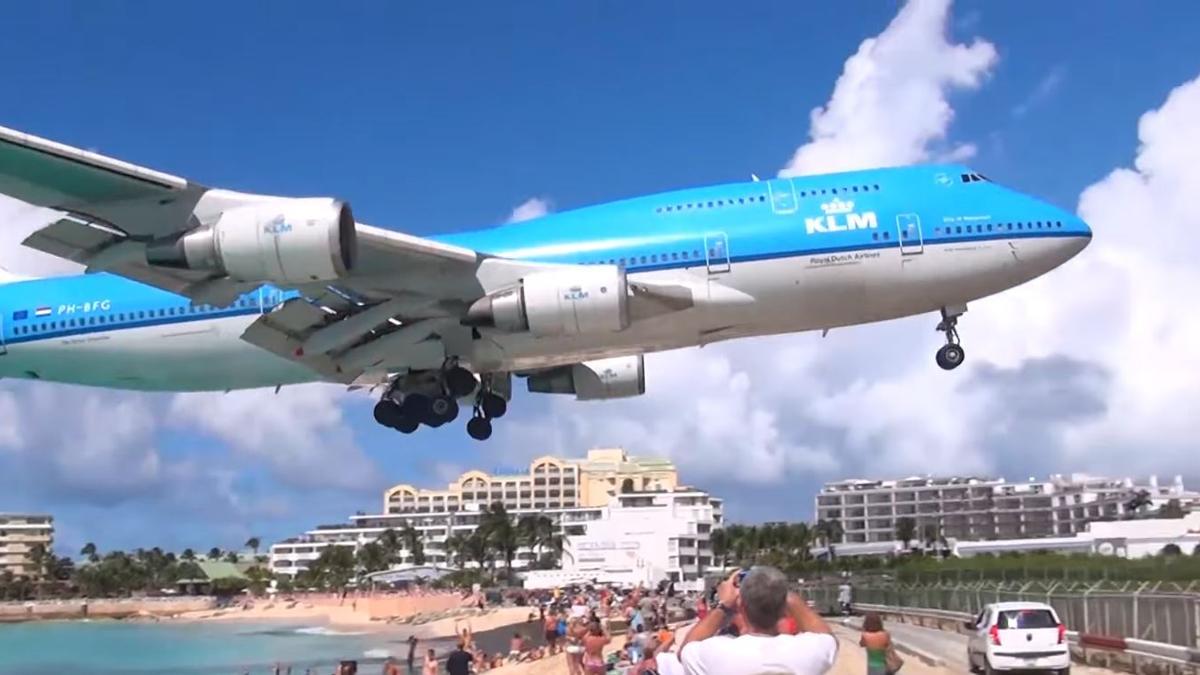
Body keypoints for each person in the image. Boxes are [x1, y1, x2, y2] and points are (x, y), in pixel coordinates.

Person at [678, 567, 837, 675]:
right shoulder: (807, 651)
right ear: (783, 608)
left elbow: (686, 650)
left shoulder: (716, 652)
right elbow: (827, 636)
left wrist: (724, 605)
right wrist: (781, 593)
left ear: (741, 605)